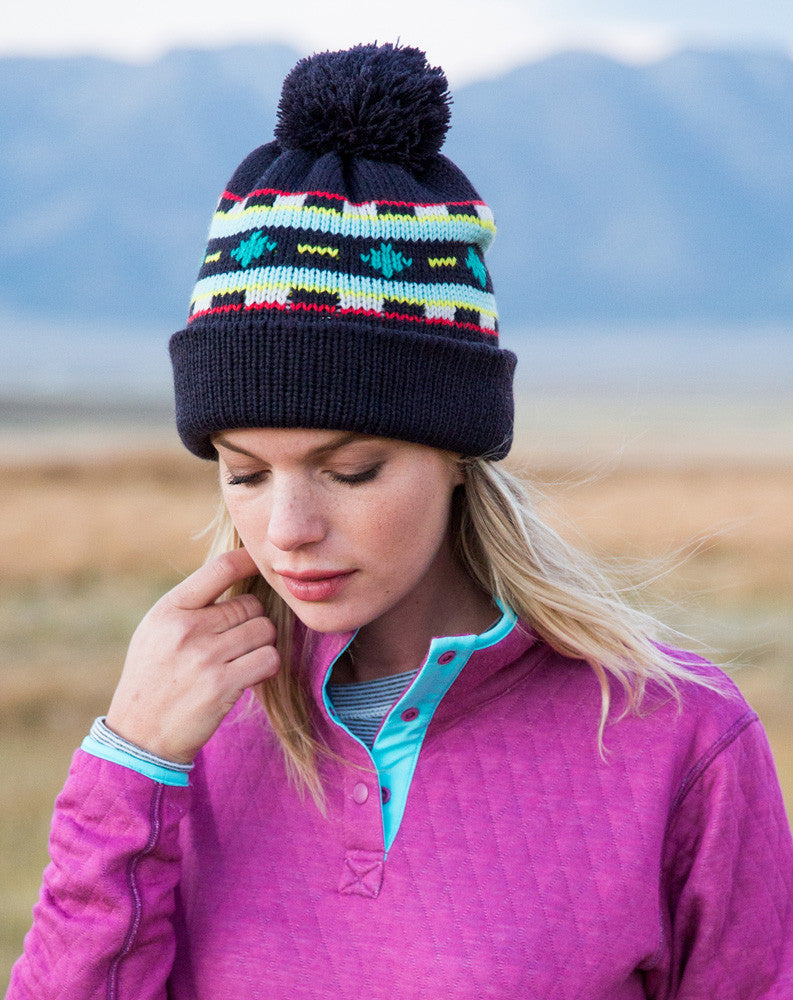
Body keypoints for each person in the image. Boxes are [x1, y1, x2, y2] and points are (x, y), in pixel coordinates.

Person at [7, 42, 793, 1000]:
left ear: (457, 453)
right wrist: (130, 762)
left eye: (351, 471)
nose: (287, 528)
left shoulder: (673, 733)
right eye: (244, 473)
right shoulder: (188, 725)